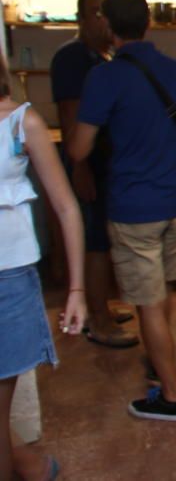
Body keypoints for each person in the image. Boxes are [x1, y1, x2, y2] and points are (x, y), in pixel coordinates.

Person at [68, 0, 176, 421]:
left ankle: (170, 396)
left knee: (147, 301)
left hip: (135, 207)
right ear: (148, 23)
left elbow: (78, 149)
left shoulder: (105, 77)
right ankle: (157, 359)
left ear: (107, 26)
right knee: (162, 289)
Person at [1, 52, 87, 480]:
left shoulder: (22, 121)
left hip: (8, 279)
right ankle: (30, 466)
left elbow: (67, 207)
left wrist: (76, 291)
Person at [50, 0, 138, 349]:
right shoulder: (72, 58)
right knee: (95, 243)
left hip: (107, 164)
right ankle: (97, 319)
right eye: (94, 12)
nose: (101, 19)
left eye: (105, 12)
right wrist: (80, 168)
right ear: (81, 18)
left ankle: (102, 306)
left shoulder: (105, 58)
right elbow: (71, 119)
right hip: (88, 163)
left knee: (104, 237)